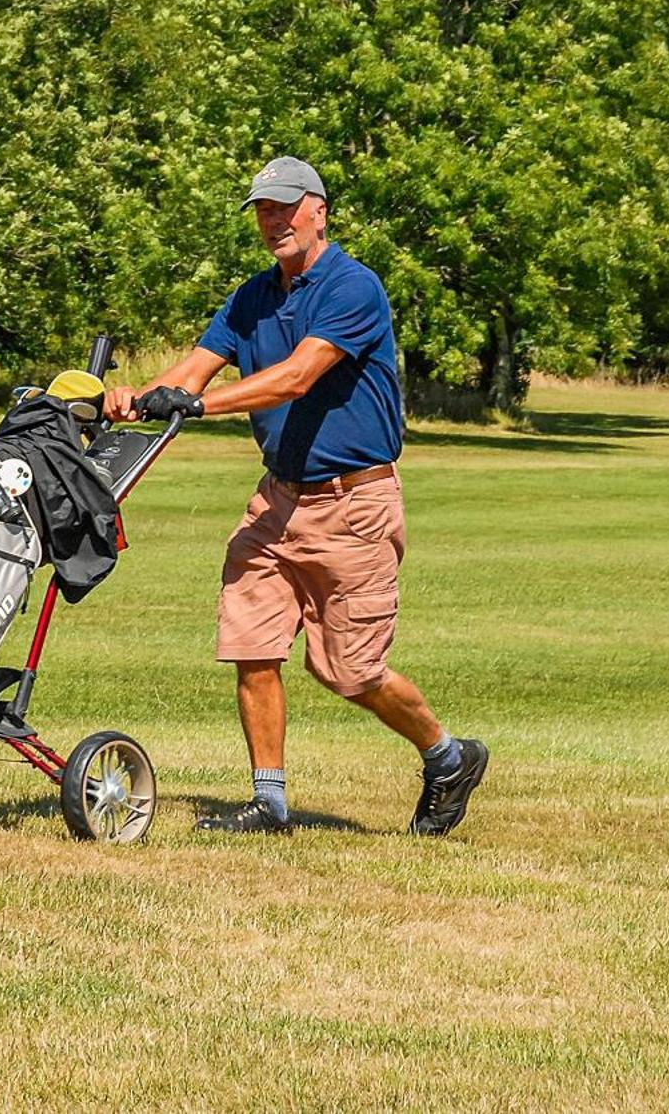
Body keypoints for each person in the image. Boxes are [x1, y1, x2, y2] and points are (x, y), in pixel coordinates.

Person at [105, 157, 489, 836]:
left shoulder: (353, 287)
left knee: (348, 671)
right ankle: (269, 803)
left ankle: (448, 756)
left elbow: (295, 377)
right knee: (251, 645)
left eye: (285, 207)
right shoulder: (253, 296)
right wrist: (128, 399)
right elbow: (192, 369)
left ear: (319, 209)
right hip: (277, 502)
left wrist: (199, 405)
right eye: (263, 210)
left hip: (355, 505)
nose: (274, 221)